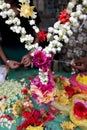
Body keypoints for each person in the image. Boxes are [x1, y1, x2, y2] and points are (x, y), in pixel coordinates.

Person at [0, 0, 41, 69]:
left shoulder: (28, 7)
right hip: (6, 56)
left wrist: (30, 54)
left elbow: (38, 36)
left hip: (29, 58)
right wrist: (6, 61)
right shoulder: (1, 9)